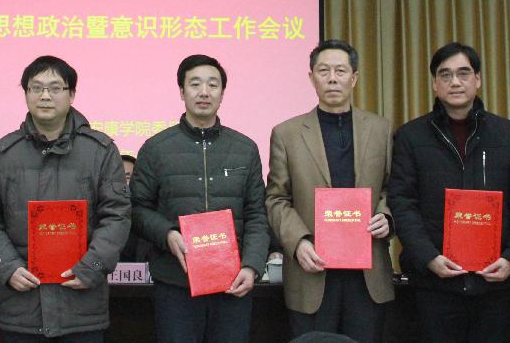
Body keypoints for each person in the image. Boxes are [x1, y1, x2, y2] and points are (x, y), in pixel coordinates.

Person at [387, 42, 510, 343]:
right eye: (445, 75)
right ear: (435, 84)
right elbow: (402, 202)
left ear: (478, 79)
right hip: (434, 284)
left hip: (496, 283)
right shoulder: (411, 136)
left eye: (463, 73)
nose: (455, 82)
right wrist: (428, 257)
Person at [0, 55, 130, 342]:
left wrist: (92, 267)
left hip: (81, 305)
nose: (45, 96)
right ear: (26, 94)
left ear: (72, 94)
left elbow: (117, 215)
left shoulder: (100, 151)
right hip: (21, 303)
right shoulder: (2, 154)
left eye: (56, 88)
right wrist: (7, 266)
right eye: (36, 88)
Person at [130, 54, 269, 343]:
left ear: (222, 93)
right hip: (175, 282)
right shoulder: (156, 148)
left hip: (233, 281)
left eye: (212, 85)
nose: (204, 92)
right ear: (182, 92)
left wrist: (252, 266)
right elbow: (136, 209)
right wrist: (167, 234)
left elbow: (257, 214)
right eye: (195, 84)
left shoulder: (245, 148)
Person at [266, 39, 394, 342]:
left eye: (340, 71)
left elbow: (393, 188)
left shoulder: (381, 129)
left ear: (354, 78)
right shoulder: (287, 133)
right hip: (312, 268)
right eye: (324, 71)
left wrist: (387, 216)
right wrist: (298, 242)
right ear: (312, 78)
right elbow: (276, 198)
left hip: (367, 273)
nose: (332, 78)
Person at [119, 155, 150, 263]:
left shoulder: (150, 219)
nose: (125, 184)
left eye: (128, 178)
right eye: (119, 178)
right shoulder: (97, 220)